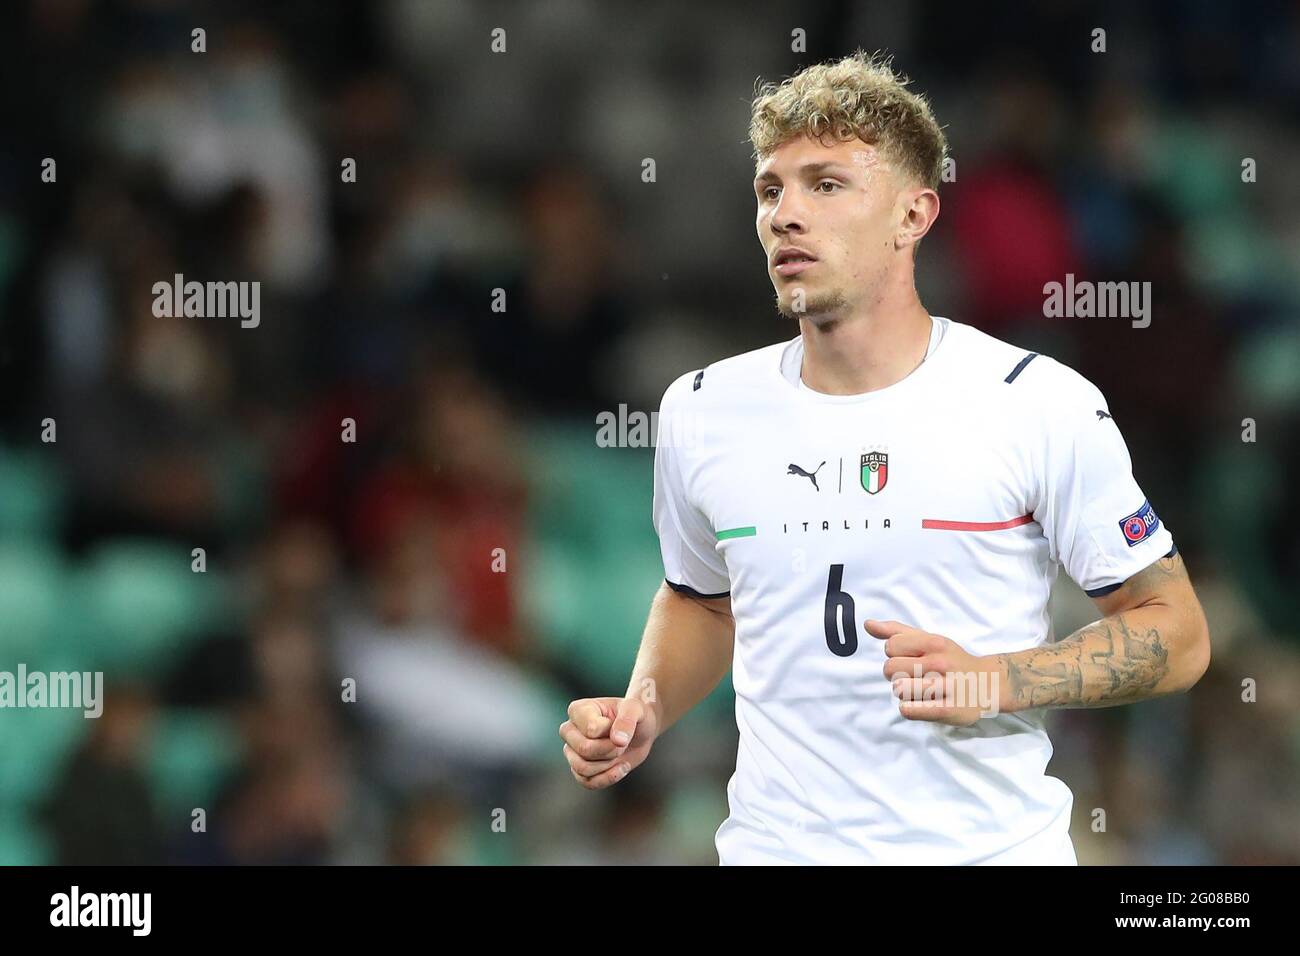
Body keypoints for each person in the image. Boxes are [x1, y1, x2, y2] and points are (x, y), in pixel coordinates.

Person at [559, 50, 1210, 865]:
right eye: (771, 189)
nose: (785, 215)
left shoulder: (1035, 400)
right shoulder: (702, 407)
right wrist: (643, 707)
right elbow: (702, 600)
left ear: (913, 216)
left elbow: (1176, 634)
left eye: (825, 185)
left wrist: (1001, 679)